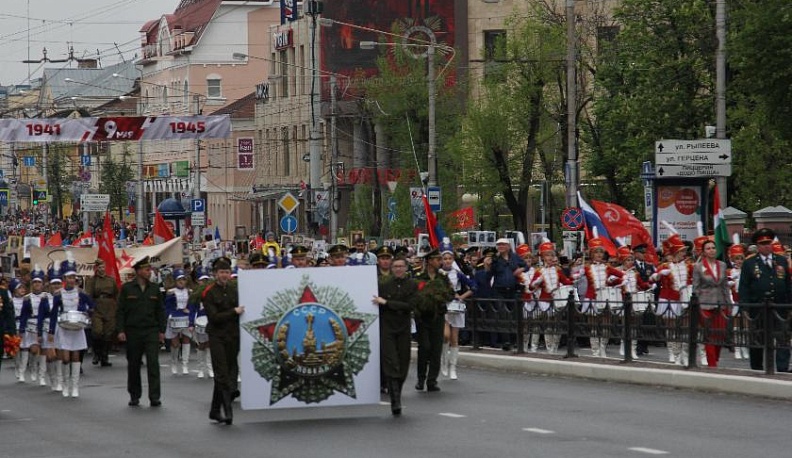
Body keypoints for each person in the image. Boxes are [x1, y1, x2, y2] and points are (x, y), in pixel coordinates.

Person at [738, 228, 791, 372]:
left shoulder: (781, 260)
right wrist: (745, 308)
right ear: (758, 246)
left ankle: (782, 368)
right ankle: (757, 367)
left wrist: (789, 305)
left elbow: (787, 284)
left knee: (782, 339)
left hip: (779, 307)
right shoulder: (750, 264)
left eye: (768, 243)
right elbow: (744, 287)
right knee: (757, 339)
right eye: (763, 244)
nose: (767, 246)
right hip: (758, 308)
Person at [117, 256, 166, 407]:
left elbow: (160, 311)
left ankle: (154, 396)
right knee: (133, 365)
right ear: (138, 271)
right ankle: (134, 395)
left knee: (153, 364)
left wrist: (162, 331)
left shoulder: (155, 288)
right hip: (133, 331)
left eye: (149, 269)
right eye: (146, 269)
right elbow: (121, 311)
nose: (149, 272)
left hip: (151, 330)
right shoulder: (127, 288)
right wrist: (120, 330)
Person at [372, 255, 417, 415]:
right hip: (387, 328)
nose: (398, 269)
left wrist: (388, 303)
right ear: (391, 269)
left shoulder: (411, 284)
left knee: (403, 363)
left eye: (401, 266)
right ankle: (395, 400)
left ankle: (397, 388)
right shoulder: (384, 285)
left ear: (406, 268)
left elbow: (410, 305)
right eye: (395, 266)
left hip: (403, 328)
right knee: (391, 363)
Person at [202, 256, 245, 425]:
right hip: (217, 336)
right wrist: (234, 312)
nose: (224, 275)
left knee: (228, 372)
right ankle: (228, 411)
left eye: (227, 272)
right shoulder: (210, 293)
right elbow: (214, 317)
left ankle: (214, 410)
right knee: (222, 374)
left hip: (233, 336)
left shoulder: (235, 291)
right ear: (215, 274)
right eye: (221, 272)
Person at [413, 249, 455, 392]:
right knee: (424, 347)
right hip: (422, 318)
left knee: (436, 349)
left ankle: (432, 380)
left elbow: (451, 294)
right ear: (430, 261)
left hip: (438, 316)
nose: (440, 262)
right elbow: (414, 295)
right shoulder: (419, 277)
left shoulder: (443, 278)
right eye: (437, 259)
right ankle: (420, 379)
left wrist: (439, 297)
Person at [52, 257, 94, 398]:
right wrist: (52, 331)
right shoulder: (58, 295)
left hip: (77, 326)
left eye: (73, 277)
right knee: (65, 358)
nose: (71, 280)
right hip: (64, 327)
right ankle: (64, 384)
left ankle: (74, 386)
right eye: (69, 277)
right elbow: (53, 314)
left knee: (76, 355)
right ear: (64, 278)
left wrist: (87, 313)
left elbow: (92, 306)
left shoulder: (81, 293)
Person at [439, 242, 474, 380]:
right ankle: (443, 361)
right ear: (441, 260)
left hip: (455, 307)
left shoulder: (458, 274)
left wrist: (461, 297)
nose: (447, 261)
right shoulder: (438, 274)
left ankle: (453, 367)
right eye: (445, 259)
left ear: (453, 260)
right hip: (444, 307)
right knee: (445, 335)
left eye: (450, 258)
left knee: (454, 339)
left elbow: (473, 286)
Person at [692, 239, 730, 368]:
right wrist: (696, 304)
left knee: (720, 333)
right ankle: (712, 364)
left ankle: (716, 358)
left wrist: (728, 303)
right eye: (708, 248)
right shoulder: (698, 266)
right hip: (705, 304)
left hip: (720, 303)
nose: (711, 250)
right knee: (709, 335)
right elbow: (696, 287)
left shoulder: (722, 265)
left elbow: (725, 286)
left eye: (713, 247)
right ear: (703, 252)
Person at [17, 266, 52, 385]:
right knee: (30, 349)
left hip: (43, 326)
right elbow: (23, 314)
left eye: (39, 282)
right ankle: (23, 371)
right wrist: (21, 329)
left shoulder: (47, 297)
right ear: (32, 284)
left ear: (42, 284)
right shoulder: (27, 298)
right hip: (30, 326)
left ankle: (41, 375)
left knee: (42, 350)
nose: (37, 284)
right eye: (35, 282)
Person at [84, 258, 118, 368]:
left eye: (103, 267)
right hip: (97, 307)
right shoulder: (92, 280)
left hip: (110, 307)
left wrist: (117, 307)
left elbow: (116, 294)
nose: (102, 269)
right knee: (97, 332)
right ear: (96, 268)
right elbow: (88, 295)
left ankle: (104, 357)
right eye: (99, 267)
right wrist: (90, 307)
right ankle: (97, 353)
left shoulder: (111, 280)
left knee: (108, 333)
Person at [165, 269, 194, 375]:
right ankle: (174, 363)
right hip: (174, 318)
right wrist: (169, 315)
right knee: (175, 343)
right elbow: (167, 306)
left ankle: (185, 365)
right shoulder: (171, 292)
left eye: (183, 279)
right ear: (176, 280)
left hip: (185, 317)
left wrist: (189, 312)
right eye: (180, 279)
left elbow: (191, 305)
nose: (182, 281)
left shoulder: (189, 291)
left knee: (186, 340)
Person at [190, 266, 213, 378]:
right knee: (201, 345)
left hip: (210, 321)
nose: (204, 283)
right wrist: (191, 323)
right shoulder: (195, 294)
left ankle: (210, 368)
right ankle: (200, 368)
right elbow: (192, 309)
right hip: (199, 321)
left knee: (210, 345)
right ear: (197, 281)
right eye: (201, 280)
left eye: (206, 280)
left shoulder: (212, 292)